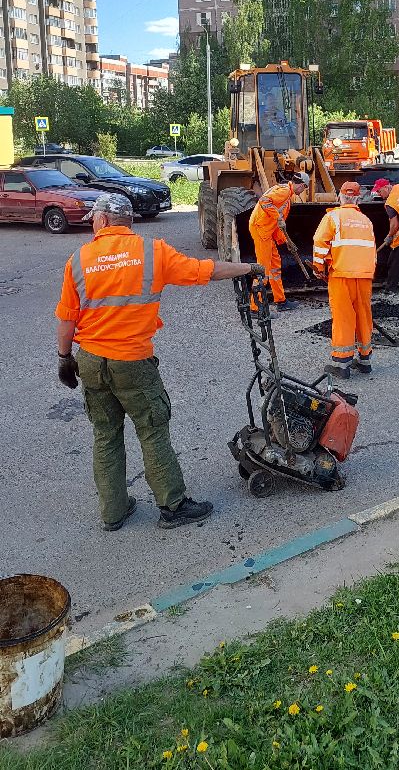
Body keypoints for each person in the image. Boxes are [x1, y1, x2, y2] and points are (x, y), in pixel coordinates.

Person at [55, 193, 264, 532]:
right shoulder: (152, 252)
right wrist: (248, 267)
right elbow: (205, 271)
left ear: (105, 220)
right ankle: (173, 505)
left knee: (105, 435)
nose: (92, 223)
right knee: (152, 431)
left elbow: (66, 319)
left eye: (94, 217)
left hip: (91, 360)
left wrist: (64, 357)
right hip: (133, 363)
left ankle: (114, 512)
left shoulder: (79, 259)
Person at [312, 181, 376, 380]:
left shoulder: (332, 217)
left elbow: (320, 243)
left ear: (340, 196)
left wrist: (318, 268)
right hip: (364, 275)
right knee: (363, 315)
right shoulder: (366, 220)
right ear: (357, 198)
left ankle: (341, 363)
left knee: (344, 316)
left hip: (341, 274)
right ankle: (365, 360)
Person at [248, 171, 309, 313]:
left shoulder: (287, 196)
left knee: (275, 265)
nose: (304, 190)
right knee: (263, 269)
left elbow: (276, 224)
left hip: (267, 231)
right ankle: (256, 307)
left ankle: (280, 300)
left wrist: (284, 241)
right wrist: (278, 217)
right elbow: (264, 201)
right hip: (260, 230)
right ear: (300, 185)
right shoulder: (285, 191)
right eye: (305, 187)